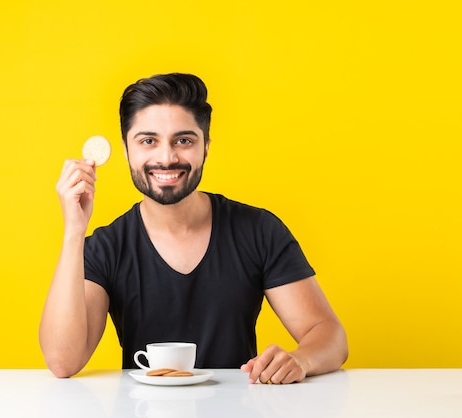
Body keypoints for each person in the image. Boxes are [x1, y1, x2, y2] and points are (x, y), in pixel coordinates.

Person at [40, 73, 348, 383]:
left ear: (206, 147)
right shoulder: (107, 247)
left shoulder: (259, 230)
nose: (167, 157)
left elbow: (328, 334)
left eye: (184, 140)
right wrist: (73, 232)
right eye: (148, 141)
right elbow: (63, 361)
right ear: (126, 150)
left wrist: (300, 359)